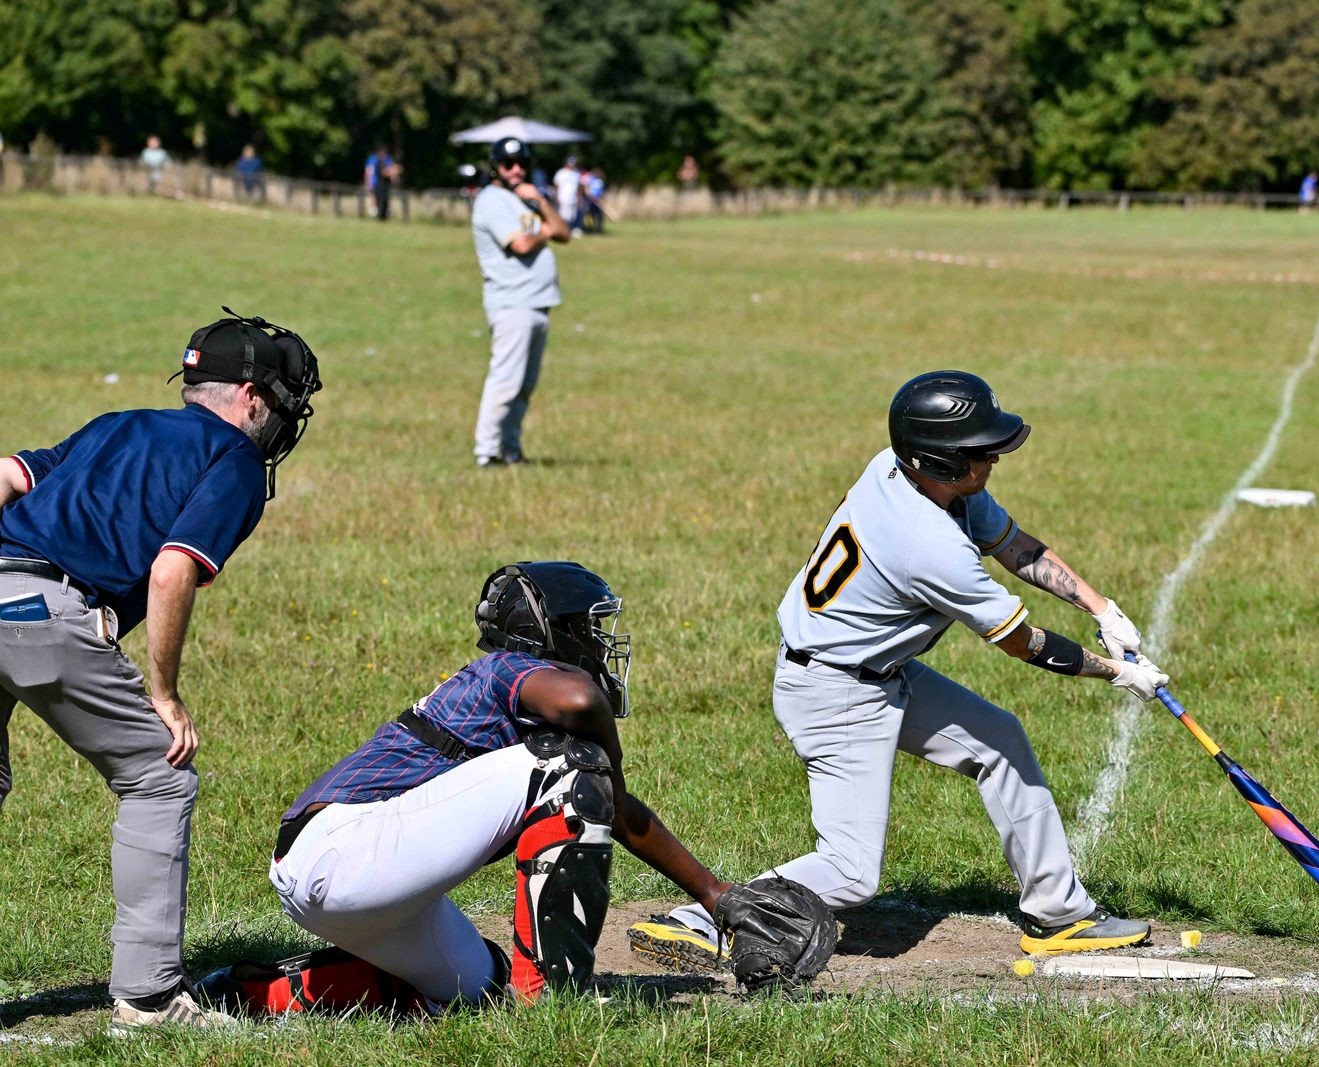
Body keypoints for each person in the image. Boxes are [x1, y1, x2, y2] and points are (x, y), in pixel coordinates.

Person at [630, 371, 1170, 970]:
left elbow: (1015, 544)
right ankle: (702, 915)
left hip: (874, 672)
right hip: (834, 691)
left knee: (1000, 740)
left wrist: (1102, 609)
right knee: (851, 871)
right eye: (979, 450)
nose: (993, 456)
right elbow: (1023, 643)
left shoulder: (910, 473)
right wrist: (1115, 673)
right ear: (939, 461)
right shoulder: (928, 545)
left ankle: (1060, 914)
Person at [232, 562, 820, 1009]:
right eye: (589, 629)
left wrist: (716, 897)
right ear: (551, 633)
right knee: (574, 765)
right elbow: (582, 701)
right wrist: (605, 759)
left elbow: (614, 807)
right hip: (346, 848)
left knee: (480, 988)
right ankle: (557, 1000)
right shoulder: (506, 668)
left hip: (335, 875)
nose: (600, 644)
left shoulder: (518, 704)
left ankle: (253, 993)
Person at [0, 310, 323, 1035]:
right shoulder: (233, 461)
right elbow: (173, 568)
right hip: (43, 611)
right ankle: (147, 999)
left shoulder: (118, 421)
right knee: (158, 773)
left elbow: (8, 475)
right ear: (249, 397)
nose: (279, 423)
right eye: (279, 406)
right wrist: (164, 694)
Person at [469, 136, 570, 467]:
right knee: (505, 382)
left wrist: (540, 202)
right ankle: (486, 452)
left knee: (525, 386)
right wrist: (543, 231)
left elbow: (564, 232)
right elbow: (523, 244)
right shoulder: (491, 200)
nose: (515, 170)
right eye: (508, 163)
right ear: (495, 166)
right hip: (513, 303)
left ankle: (511, 449)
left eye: (522, 164)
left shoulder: (526, 200)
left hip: (538, 302)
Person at [363, 145, 401, 221]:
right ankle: (378, 215)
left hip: (385, 184)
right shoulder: (373, 159)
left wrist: (395, 178)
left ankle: (382, 216)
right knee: (377, 200)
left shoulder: (388, 159)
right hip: (376, 183)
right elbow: (369, 171)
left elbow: (393, 169)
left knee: (384, 200)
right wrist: (368, 183)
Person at [553, 155, 583, 234]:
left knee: (572, 216)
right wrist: (557, 196)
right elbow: (557, 185)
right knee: (563, 215)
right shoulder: (561, 173)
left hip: (573, 198)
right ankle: (563, 230)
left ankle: (569, 230)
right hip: (563, 197)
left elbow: (578, 187)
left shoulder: (576, 174)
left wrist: (579, 197)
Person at [583, 167, 607, 235]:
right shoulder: (590, 179)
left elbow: (602, 191)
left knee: (599, 215)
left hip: (598, 201)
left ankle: (598, 229)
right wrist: (591, 197)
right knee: (589, 215)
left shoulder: (600, 181)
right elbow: (586, 189)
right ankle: (588, 228)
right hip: (590, 200)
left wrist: (601, 198)